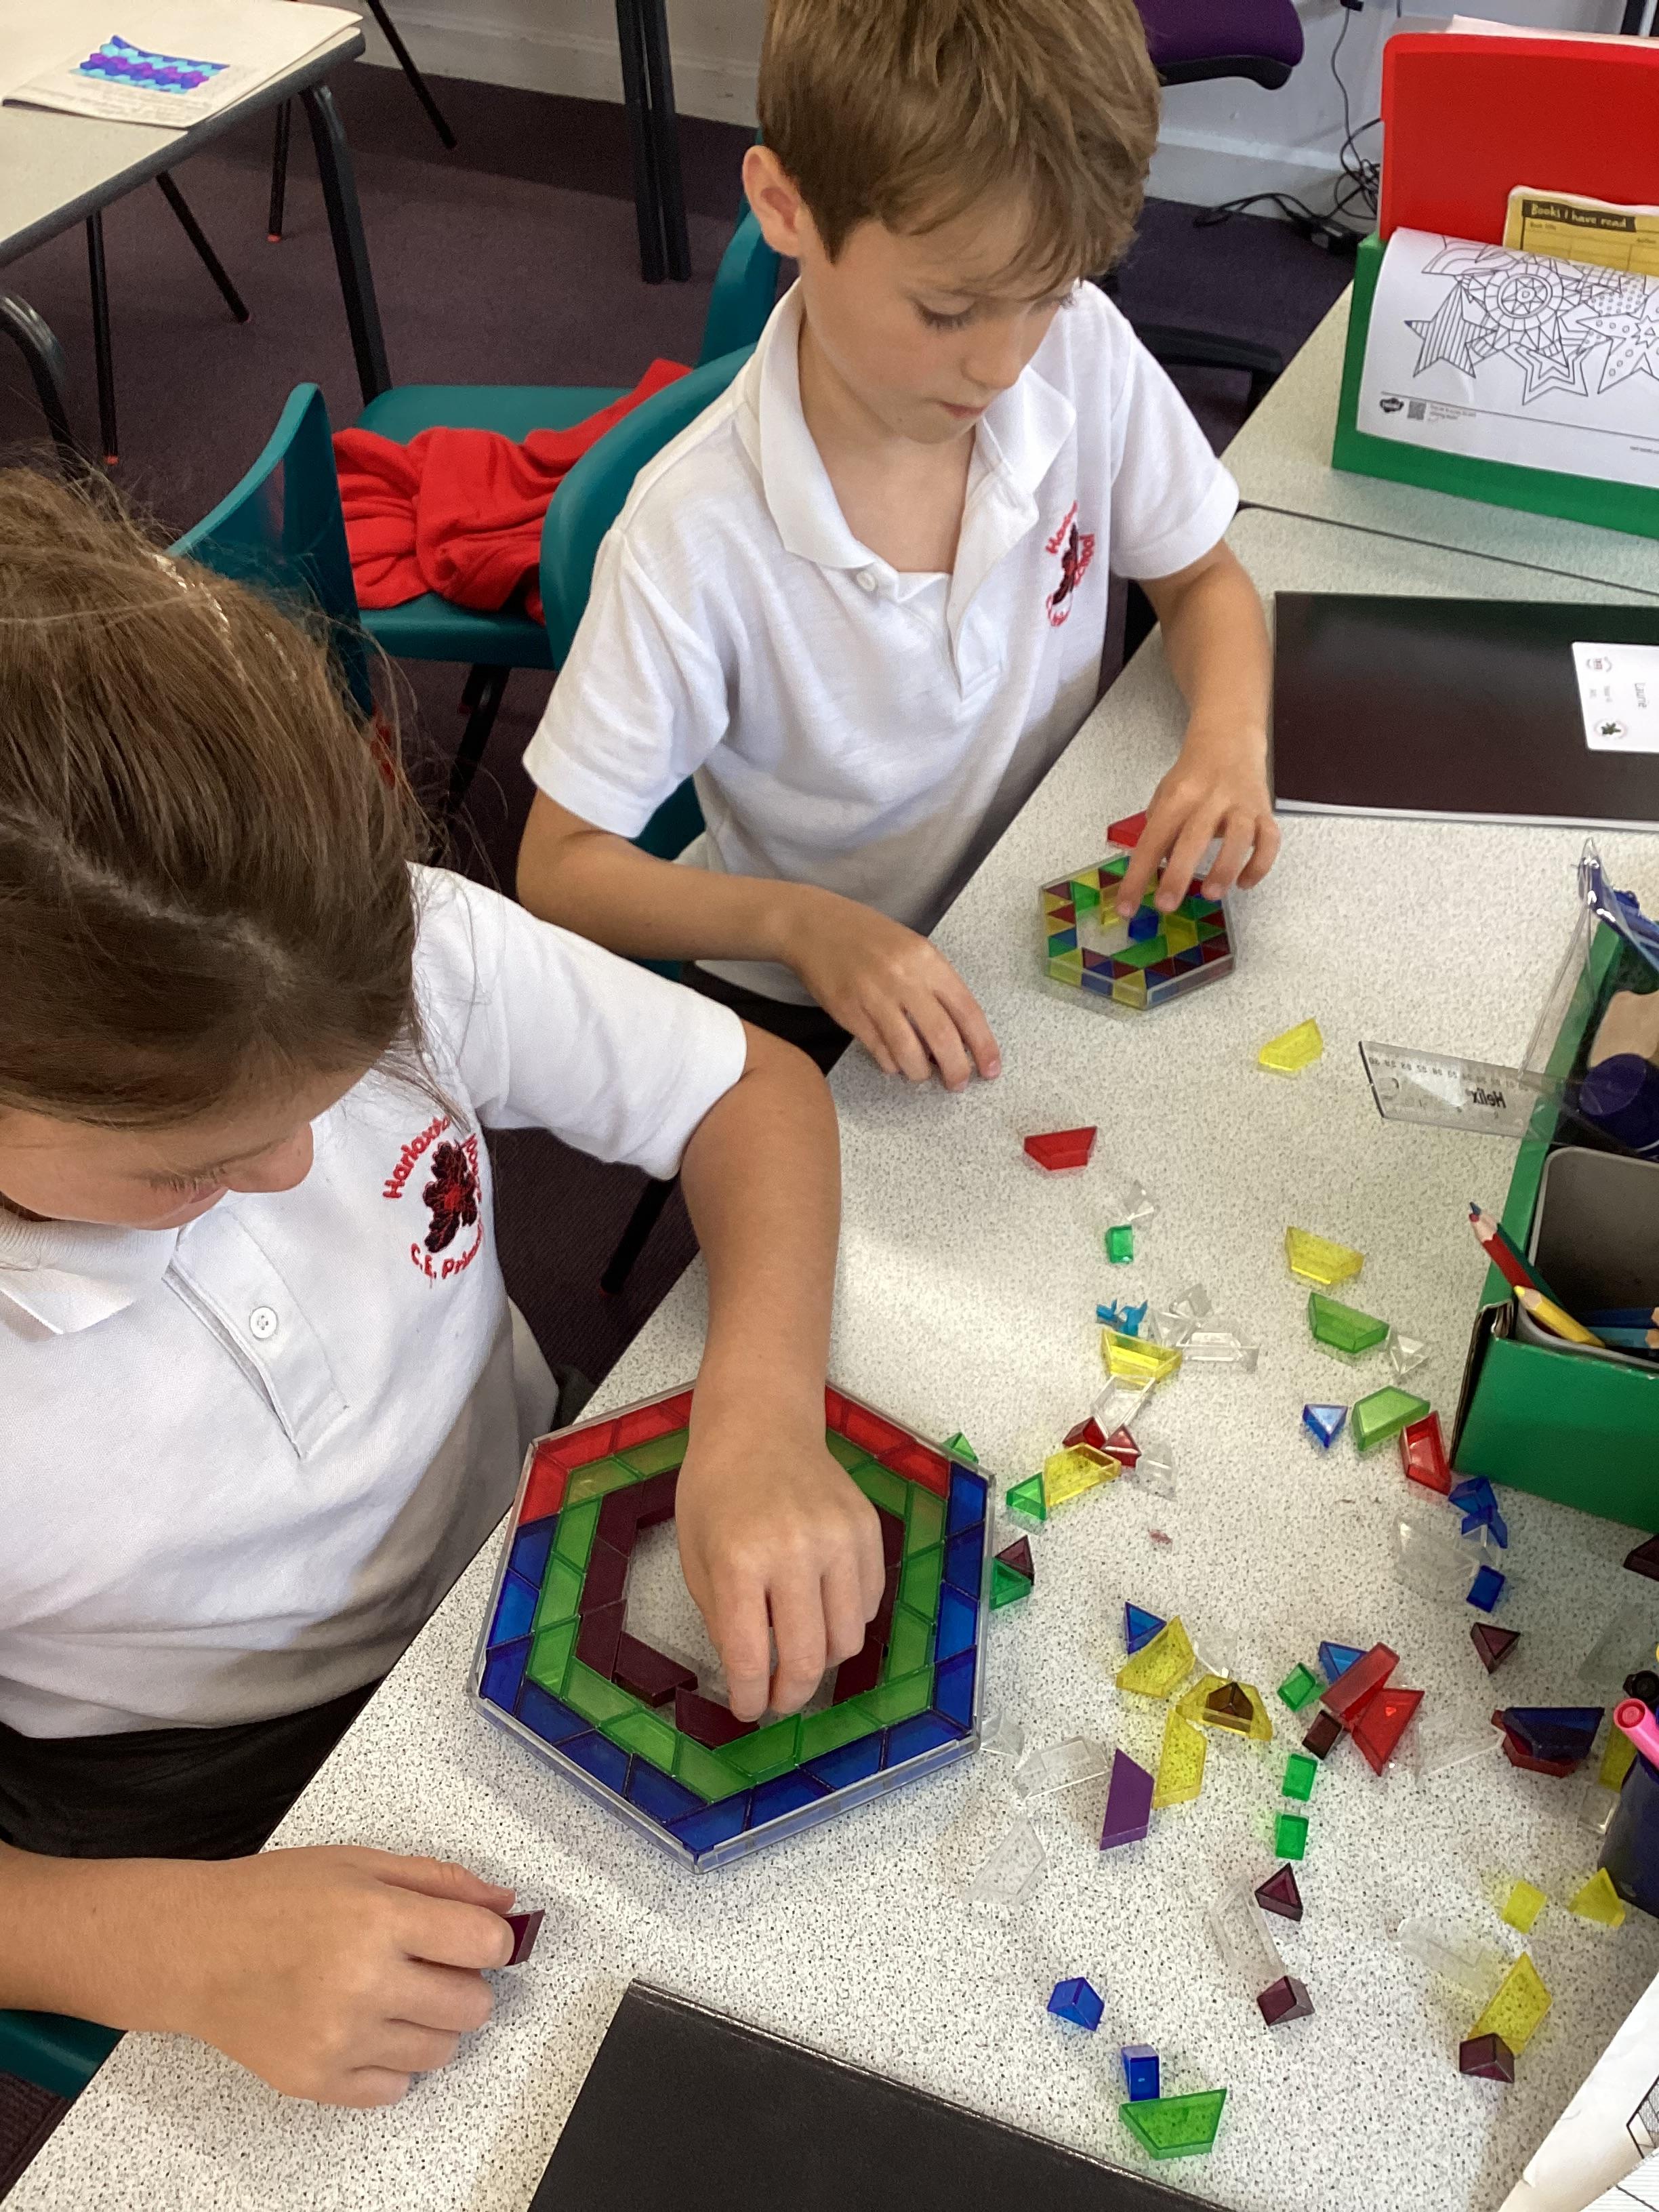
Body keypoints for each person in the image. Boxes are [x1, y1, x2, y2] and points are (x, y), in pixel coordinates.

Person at [0, 469, 878, 2106]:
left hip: (524, 1533)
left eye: (341, 1101)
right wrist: (172, 1949)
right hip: (202, 1800)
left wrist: (759, 1412)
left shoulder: (385, 939)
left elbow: (751, 1092)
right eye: (189, 1168)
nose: (291, 1177)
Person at [515, 0, 1278, 1090]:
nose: (1004, 366)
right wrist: (800, 926)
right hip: (809, 991)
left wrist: (1229, 740)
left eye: (1048, 296)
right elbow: (559, 868)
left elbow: (1201, 577)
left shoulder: (1083, 353)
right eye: (949, 310)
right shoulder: (690, 537)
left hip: (1032, 910)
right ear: (785, 207)